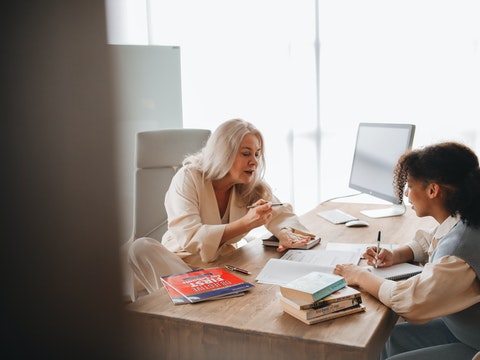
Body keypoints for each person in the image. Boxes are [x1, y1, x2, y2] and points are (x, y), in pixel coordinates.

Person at [129, 118, 314, 294]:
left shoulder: (251, 187)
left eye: (257, 154)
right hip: (179, 263)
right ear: (224, 152)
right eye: (246, 153)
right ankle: (194, 296)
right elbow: (191, 237)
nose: (254, 161)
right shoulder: (188, 178)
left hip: (222, 266)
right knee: (140, 247)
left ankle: (202, 297)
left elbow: (280, 213)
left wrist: (284, 233)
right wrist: (245, 224)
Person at [334, 141, 480, 360]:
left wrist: (360, 276)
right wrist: (398, 254)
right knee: (388, 338)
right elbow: (435, 239)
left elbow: (412, 302)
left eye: (410, 186)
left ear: (433, 190)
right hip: (462, 329)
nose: (406, 194)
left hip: (474, 343)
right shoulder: (466, 218)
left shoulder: (459, 254)